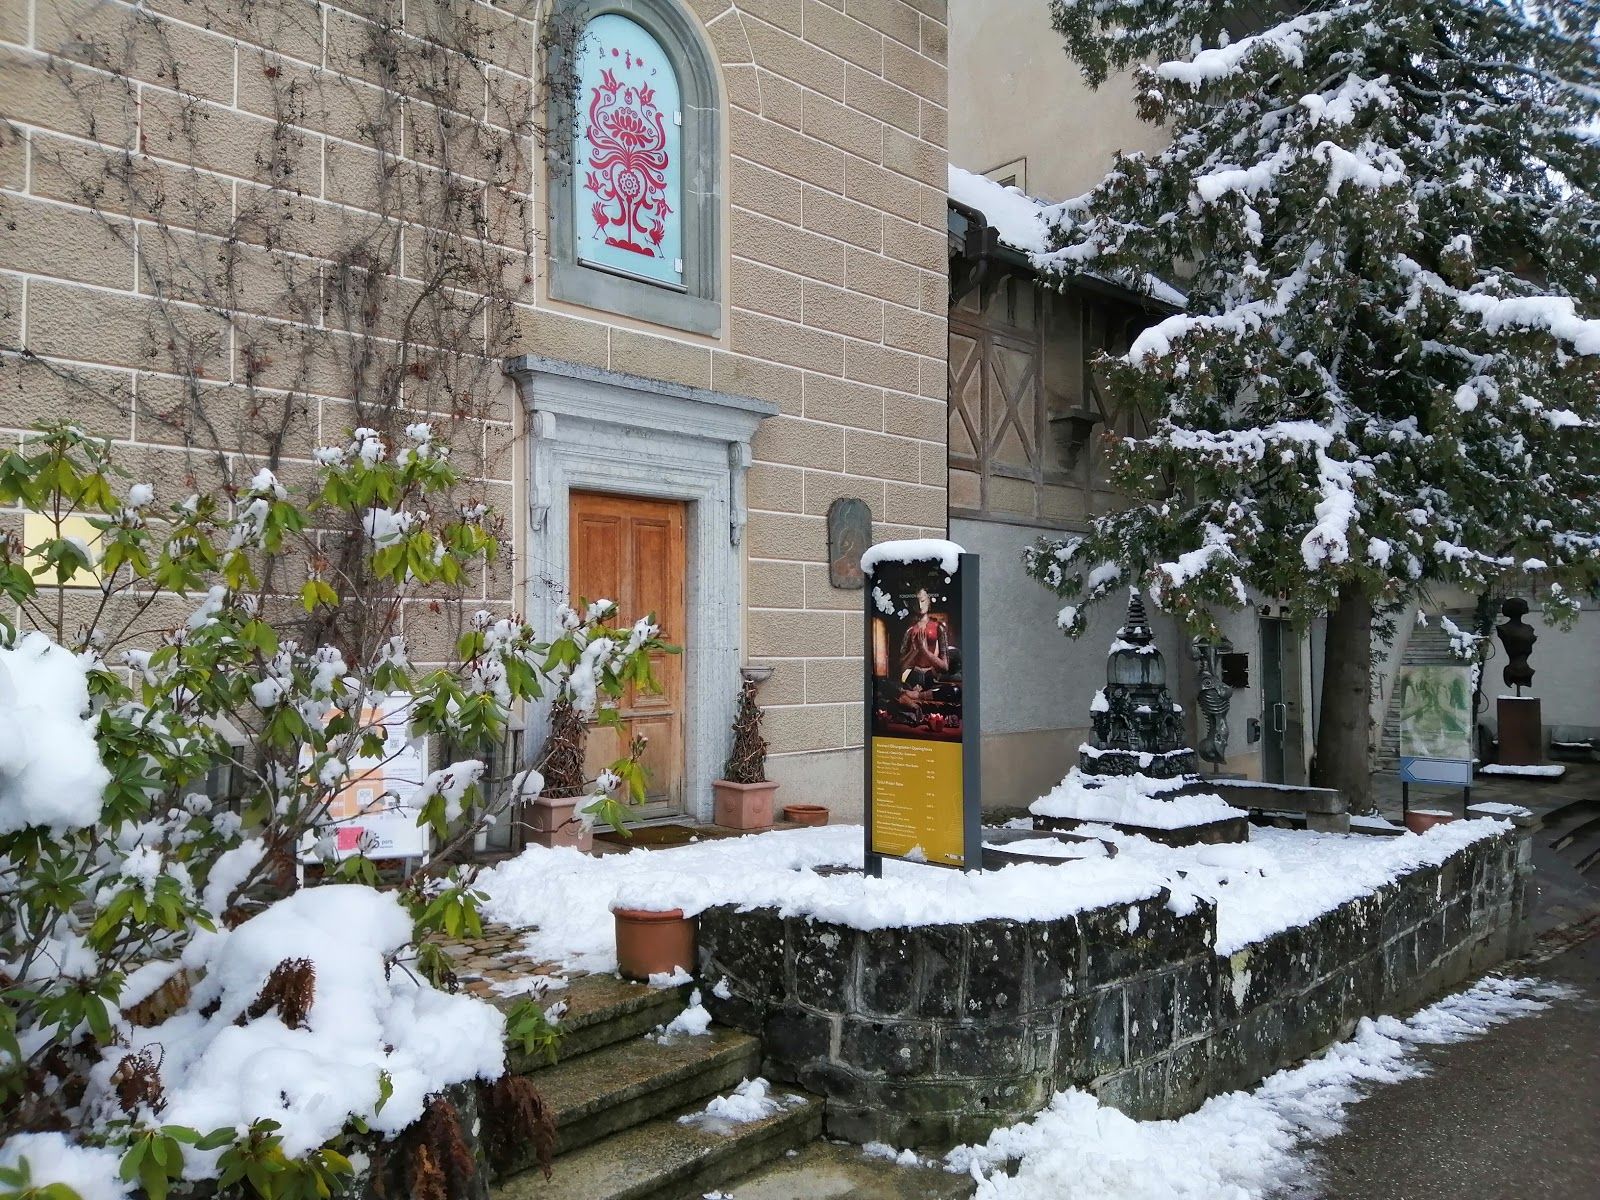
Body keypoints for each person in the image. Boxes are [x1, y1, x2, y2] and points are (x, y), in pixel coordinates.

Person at [899, 587, 949, 687]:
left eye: (923, 601)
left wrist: (925, 651)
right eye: (917, 602)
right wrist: (914, 651)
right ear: (913, 605)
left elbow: (945, 667)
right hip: (913, 676)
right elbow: (901, 667)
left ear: (929, 601)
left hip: (932, 676)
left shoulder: (939, 627)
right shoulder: (910, 630)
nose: (920, 605)